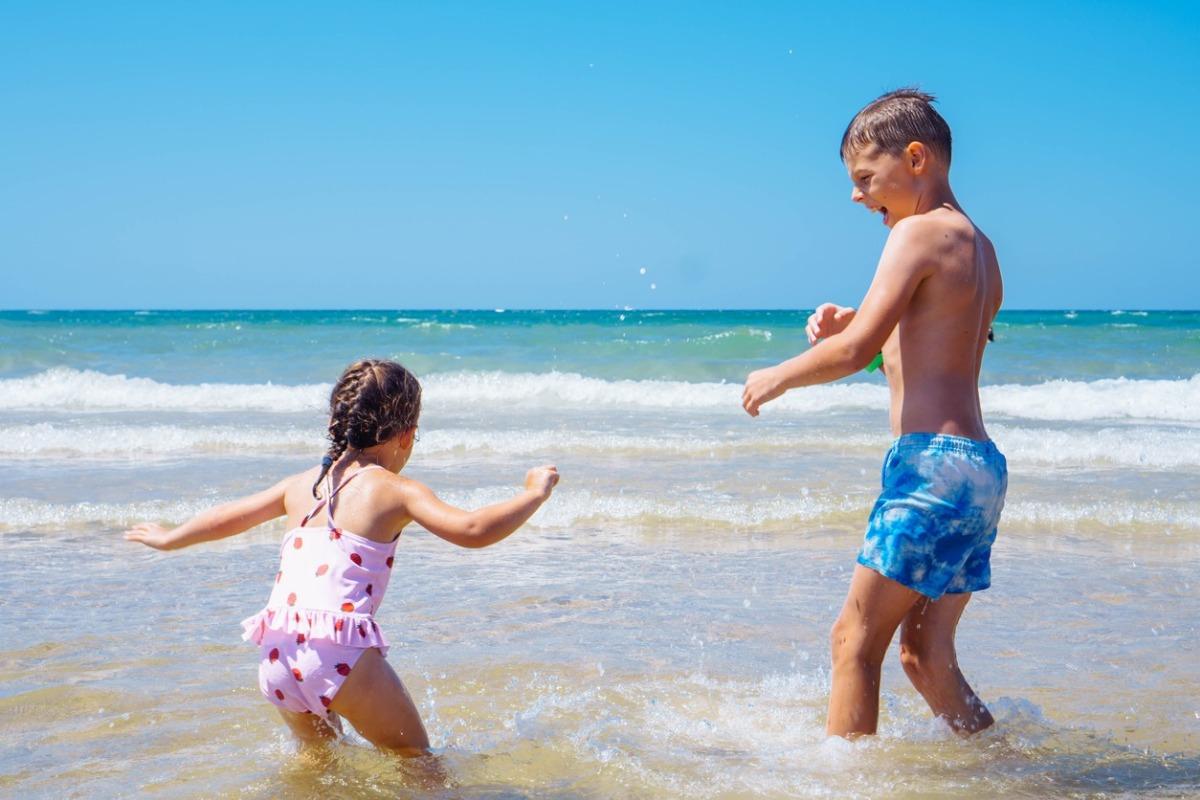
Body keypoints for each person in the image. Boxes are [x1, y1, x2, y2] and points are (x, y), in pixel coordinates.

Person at [741, 89, 1006, 738]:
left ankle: (843, 786)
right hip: (980, 473)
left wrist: (776, 376)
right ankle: (1007, 768)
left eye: (865, 179)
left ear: (915, 158)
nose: (857, 197)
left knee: (853, 642)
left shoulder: (915, 233)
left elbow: (860, 351)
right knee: (926, 656)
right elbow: (927, 349)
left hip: (930, 469)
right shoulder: (983, 249)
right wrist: (854, 322)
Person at [125, 359, 559, 754]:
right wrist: (533, 493)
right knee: (417, 761)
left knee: (321, 765)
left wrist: (169, 539)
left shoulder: (300, 485)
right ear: (406, 435)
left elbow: (225, 518)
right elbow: (473, 530)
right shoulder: (394, 489)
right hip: (339, 653)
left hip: (277, 653)